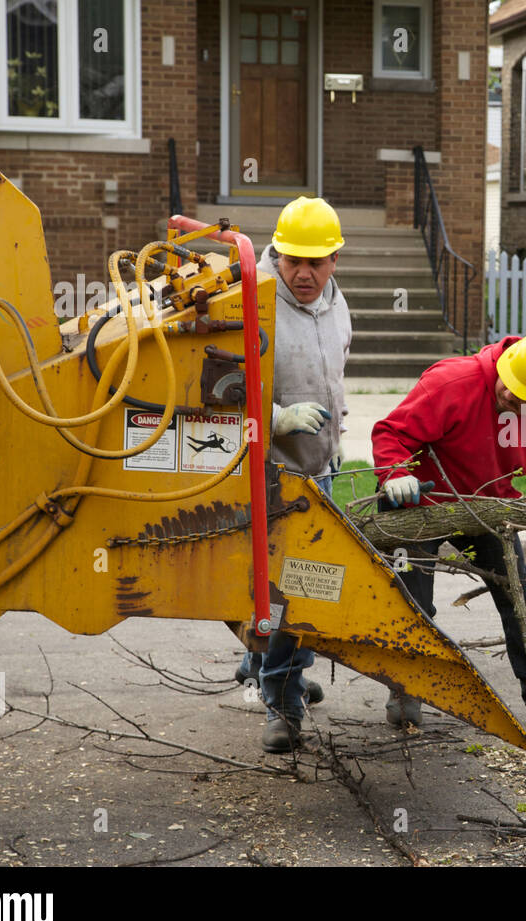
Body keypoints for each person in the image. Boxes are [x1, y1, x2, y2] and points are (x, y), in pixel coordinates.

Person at [372, 330, 526, 734]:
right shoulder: (452, 381)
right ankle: (407, 687)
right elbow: (393, 433)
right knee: (412, 600)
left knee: (519, 600)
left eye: (524, 396)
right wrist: (394, 473)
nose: (509, 394)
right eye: (509, 383)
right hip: (416, 502)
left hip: (487, 506)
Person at [234, 196, 352, 753]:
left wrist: (336, 439)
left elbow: (334, 374)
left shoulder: (336, 303)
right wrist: (277, 418)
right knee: (293, 587)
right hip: (268, 473)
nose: (304, 273)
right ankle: (280, 699)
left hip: (317, 469)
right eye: (292, 261)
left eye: (317, 262)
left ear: (334, 261)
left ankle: (271, 664)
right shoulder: (252, 302)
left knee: (307, 586)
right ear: (276, 254)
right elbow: (222, 391)